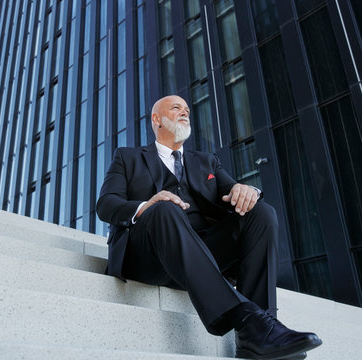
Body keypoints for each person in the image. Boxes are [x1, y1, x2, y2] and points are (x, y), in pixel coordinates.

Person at [96, 95, 322, 359]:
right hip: (148, 257)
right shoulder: (127, 157)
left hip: (201, 254)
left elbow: (233, 191)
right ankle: (248, 317)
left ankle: (260, 333)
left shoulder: (207, 161)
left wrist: (245, 189)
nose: (185, 113)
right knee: (165, 207)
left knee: (260, 212)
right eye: (176, 108)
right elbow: (106, 204)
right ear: (156, 119)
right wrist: (147, 205)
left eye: (187, 110)